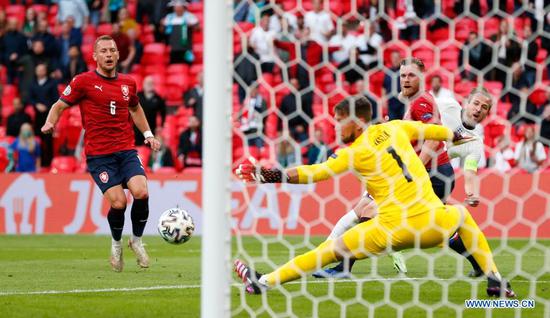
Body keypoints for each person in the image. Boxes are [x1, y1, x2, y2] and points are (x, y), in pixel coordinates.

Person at [234, 96, 515, 298]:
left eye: (339, 122)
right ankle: (495, 281)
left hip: (391, 231)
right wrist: (461, 137)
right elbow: (442, 134)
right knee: (462, 216)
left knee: (328, 252)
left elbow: (315, 172)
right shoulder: (395, 127)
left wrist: (267, 175)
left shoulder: (352, 153)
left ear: (356, 123)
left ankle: (264, 282)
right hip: (432, 225)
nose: (335, 128)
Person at [40, 35, 161, 272]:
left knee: (141, 191)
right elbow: (59, 105)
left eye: (112, 50)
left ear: (118, 55)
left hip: (126, 150)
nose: (108, 54)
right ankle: (116, 244)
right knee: (118, 203)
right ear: (94, 56)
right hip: (99, 155)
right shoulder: (82, 81)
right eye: (103, 51)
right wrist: (49, 122)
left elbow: (135, 108)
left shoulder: (128, 83)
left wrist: (148, 134)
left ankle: (136, 241)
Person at [29, 63, 59, 167]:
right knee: (38, 139)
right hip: (37, 116)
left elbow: (56, 98)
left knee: (48, 140)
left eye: (42, 70)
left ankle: (48, 163)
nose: (40, 72)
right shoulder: (33, 83)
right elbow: (30, 98)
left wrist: (46, 106)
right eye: (38, 70)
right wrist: (36, 105)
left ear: (45, 71)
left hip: (49, 115)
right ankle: (38, 162)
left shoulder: (52, 83)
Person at [135, 76, 167, 146]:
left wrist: (161, 126)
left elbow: (163, 113)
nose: (149, 85)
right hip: (137, 127)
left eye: (151, 83)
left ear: (153, 85)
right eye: (147, 83)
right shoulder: (138, 96)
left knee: (149, 146)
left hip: (151, 127)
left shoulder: (158, 98)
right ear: (143, 84)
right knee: (137, 147)